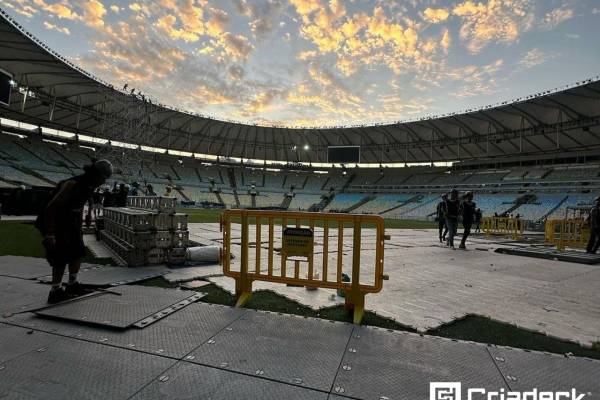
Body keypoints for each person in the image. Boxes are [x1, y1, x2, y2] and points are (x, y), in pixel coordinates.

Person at [36, 160, 113, 303]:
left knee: (77, 250)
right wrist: (50, 234)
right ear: (94, 174)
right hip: (55, 220)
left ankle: (72, 284)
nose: (103, 181)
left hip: (70, 219)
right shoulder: (72, 184)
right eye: (102, 178)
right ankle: (55, 290)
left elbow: (86, 197)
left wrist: (89, 213)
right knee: (61, 254)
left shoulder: (89, 185)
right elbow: (51, 208)